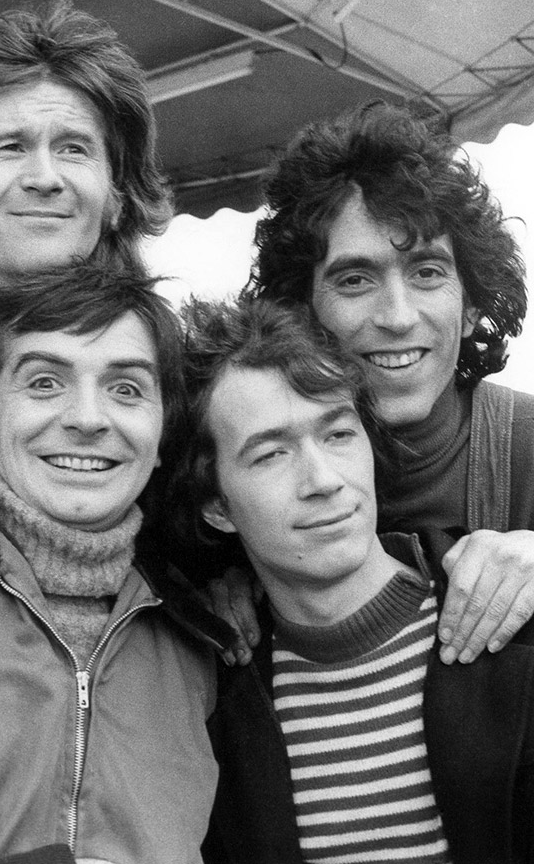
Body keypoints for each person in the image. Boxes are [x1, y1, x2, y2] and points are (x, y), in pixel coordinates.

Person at [180, 296, 534, 864]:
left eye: (339, 435)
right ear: (217, 506)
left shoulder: (514, 615)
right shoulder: (208, 703)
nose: (323, 479)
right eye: (271, 455)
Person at [0, 259, 233, 864]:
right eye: (44, 383)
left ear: (163, 437)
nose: (87, 418)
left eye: (126, 389)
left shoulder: (205, 648)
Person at [217, 101, 534, 666]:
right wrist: (215, 578)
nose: (397, 316)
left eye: (427, 272)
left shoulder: (527, 444)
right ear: (300, 311)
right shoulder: (249, 476)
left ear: (470, 305)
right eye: (355, 280)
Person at [0, 0, 171, 558]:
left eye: (74, 148)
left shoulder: (173, 366)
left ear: (117, 194)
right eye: (11, 147)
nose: (44, 177)